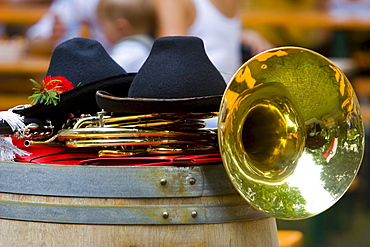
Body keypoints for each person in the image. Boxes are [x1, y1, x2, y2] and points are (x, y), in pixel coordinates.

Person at [153, 0, 273, 83]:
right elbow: (171, 64)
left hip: (224, 102)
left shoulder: (235, 4)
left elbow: (215, 34)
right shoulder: (173, 3)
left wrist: (242, 36)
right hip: (200, 109)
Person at [26, 0, 109, 55]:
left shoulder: (115, 4)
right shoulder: (70, 3)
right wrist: (53, 38)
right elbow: (33, 43)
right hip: (74, 70)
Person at [97, 0, 155, 72]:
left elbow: (105, 71)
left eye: (104, 26)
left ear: (121, 28)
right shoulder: (146, 46)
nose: (102, 31)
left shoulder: (130, 49)